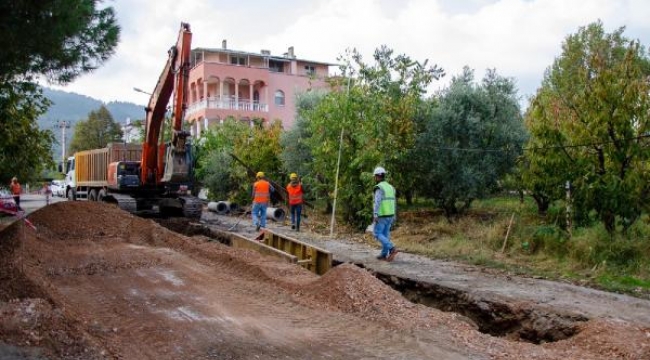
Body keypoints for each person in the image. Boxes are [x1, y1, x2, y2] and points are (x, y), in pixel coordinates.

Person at [372, 167, 398, 261]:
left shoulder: (379, 188)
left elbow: (377, 202)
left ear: (378, 176)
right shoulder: (391, 187)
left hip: (382, 215)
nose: (374, 178)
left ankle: (392, 248)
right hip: (390, 215)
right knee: (385, 235)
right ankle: (383, 254)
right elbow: (394, 201)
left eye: (375, 176)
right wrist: (394, 214)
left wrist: (375, 214)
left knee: (377, 233)